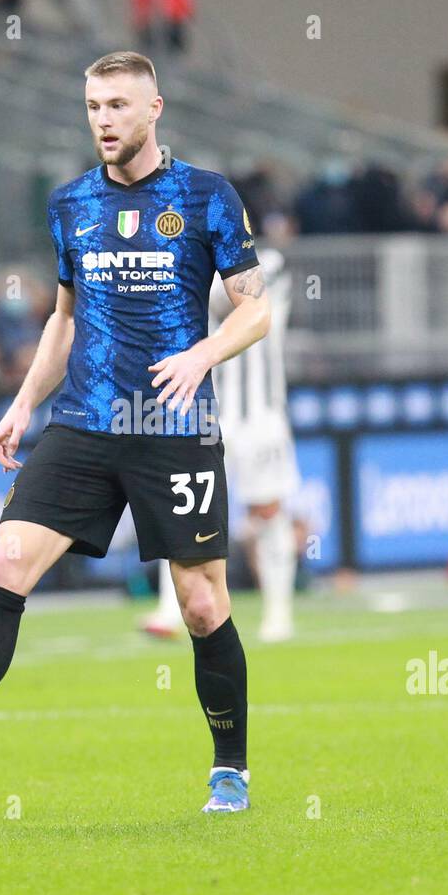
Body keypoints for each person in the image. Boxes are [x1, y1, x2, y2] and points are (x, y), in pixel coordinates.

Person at [0, 51, 271, 814]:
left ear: (154, 109)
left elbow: (257, 307)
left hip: (174, 425)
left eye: (117, 105)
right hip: (82, 420)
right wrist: (21, 405)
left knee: (202, 604)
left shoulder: (208, 196)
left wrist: (203, 353)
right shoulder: (71, 203)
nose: (104, 119)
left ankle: (231, 767)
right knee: (8, 557)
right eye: (93, 106)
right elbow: (63, 320)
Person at [142, 246, 299, 642]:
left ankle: (278, 613)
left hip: (260, 415)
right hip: (206, 411)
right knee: (185, 507)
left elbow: (231, 299)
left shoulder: (269, 261)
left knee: (266, 510)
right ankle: (168, 610)